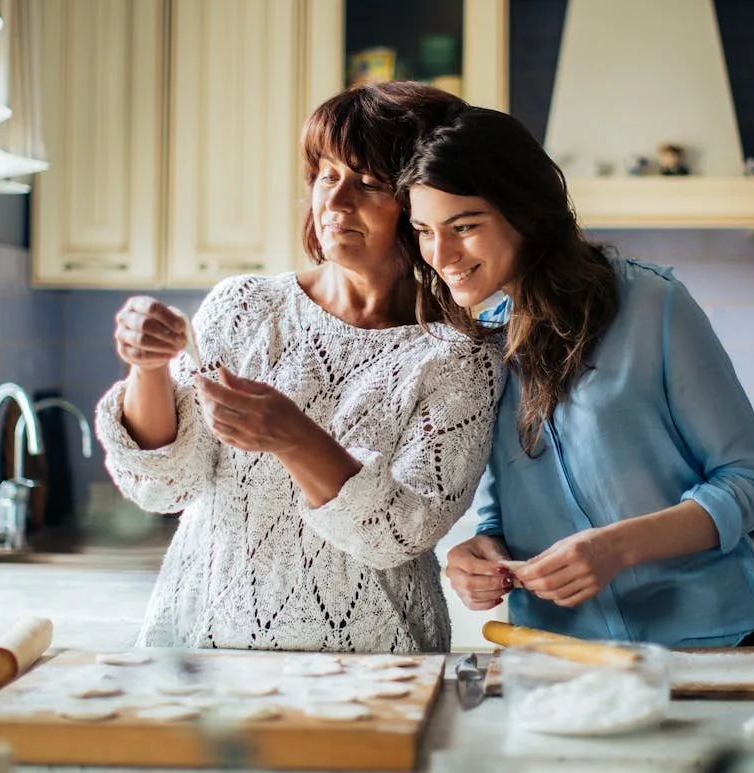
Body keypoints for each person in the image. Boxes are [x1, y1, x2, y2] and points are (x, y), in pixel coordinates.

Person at [94, 82, 503, 653]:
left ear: (421, 202)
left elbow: (399, 532)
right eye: (326, 176)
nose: (334, 205)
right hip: (202, 645)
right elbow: (164, 485)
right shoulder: (245, 307)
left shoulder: (460, 355)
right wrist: (148, 368)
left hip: (375, 660)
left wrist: (293, 438)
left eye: (367, 184)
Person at [400, 106, 754, 648]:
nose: (441, 254)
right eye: (423, 231)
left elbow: (749, 483)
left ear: (525, 212)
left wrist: (615, 549)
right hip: (560, 652)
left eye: (464, 226)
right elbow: (501, 505)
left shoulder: (654, 305)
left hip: (706, 641)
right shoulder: (476, 344)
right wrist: (481, 550)